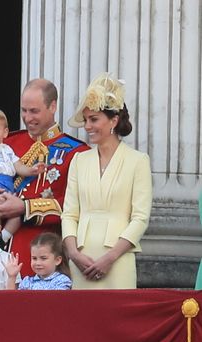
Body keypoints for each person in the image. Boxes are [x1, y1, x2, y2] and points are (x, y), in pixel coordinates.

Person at [0, 79, 89, 276]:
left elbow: (76, 207)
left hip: (39, 258)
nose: (27, 118)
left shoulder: (76, 152)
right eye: (24, 110)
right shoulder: (5, 144)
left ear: (52, 106)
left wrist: (25, 208)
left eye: (34, 111)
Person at [62, 73, 153, 289]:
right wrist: (73, 253)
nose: (87, 126)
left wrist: (110, 257)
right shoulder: (78, 160)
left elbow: (140, 218)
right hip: (81, 259)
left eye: (94, 119)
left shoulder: (137, 161)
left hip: (118, 260)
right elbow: (69, 213)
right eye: (86, 120)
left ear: (113, 120)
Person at [0, 106, 45, 244]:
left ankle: (2, 238)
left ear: (5, 133)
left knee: (15, 214)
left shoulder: (8, 150)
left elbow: (19, 167)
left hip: (8, 186)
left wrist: (32, 170)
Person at [5, 232, 72, 290]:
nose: (38, 263)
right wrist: (12, 277)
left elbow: (56, 302)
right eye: (34, 258)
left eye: (43, 258)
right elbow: (13, 301)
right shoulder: (27, 282)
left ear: (57, 260)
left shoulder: (62, 281)